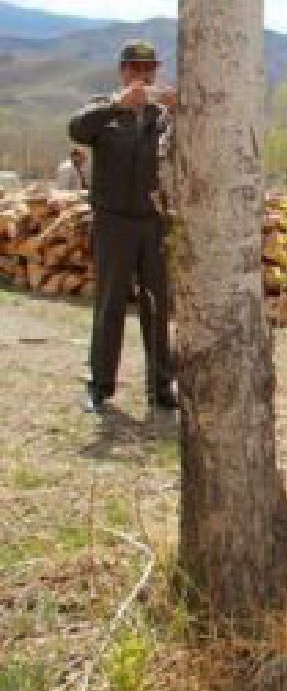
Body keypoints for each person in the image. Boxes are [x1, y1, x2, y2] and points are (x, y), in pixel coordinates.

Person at [68, 40, 177, 414]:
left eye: (149, 69)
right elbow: (77, 130)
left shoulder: (163, 116)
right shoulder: (105, 109)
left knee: (158, 305)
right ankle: (100, 387)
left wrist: (181, 112)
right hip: (113, 221)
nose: (142, 76)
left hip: (154, 222)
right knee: (110, 303)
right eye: (134, 68)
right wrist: (118, 103)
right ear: (122, 71)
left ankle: (161, 388)